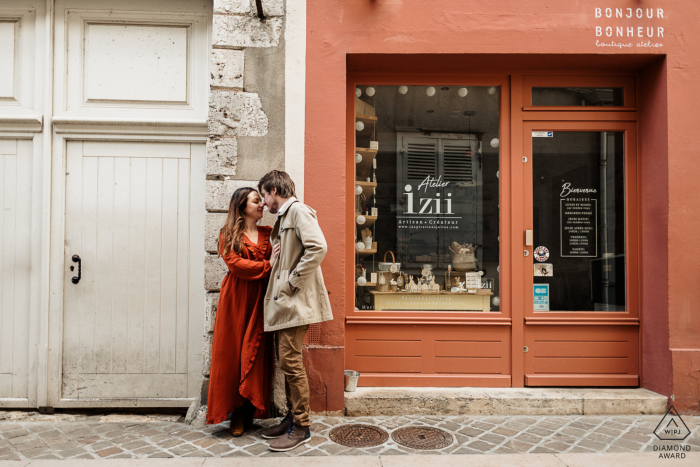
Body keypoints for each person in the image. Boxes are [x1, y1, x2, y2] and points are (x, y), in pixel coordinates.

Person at [257, 170, 333, 452]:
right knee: (287, 362)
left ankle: (301, 426)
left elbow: (318, 247)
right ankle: (292, 419)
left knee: (291, 362)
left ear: (275, 189)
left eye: (265, 195)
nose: (264, 203)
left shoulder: (299, 211)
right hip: (286, 304)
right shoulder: (285, 218)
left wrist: (292, 282)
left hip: (295, 302)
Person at [206, 187, 280, 437]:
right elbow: (235, 265)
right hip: (237, 301)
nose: (262, 204)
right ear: (241, 206)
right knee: (234, 352)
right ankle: (235, 412)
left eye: (261, 200)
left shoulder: (269, 234)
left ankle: (250, 410)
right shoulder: (228, 234)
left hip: (261, 299)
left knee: (257, 352)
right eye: (256, 201)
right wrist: (267, 266)